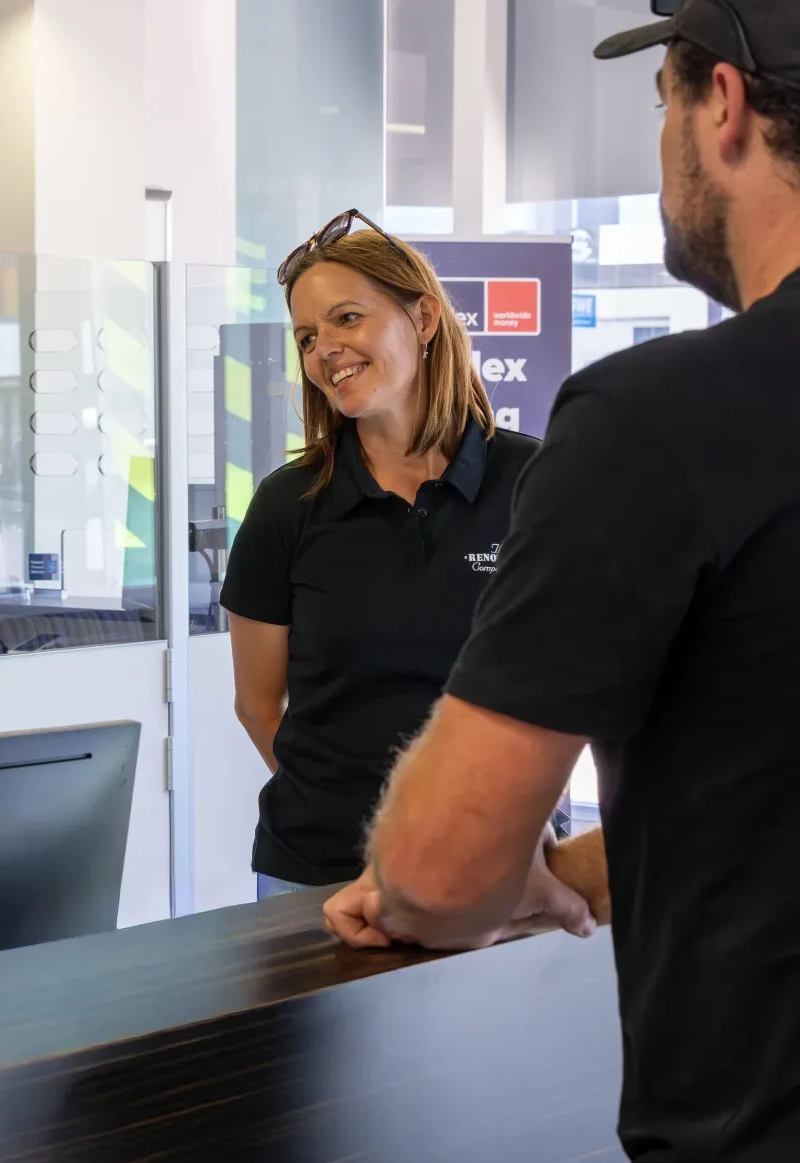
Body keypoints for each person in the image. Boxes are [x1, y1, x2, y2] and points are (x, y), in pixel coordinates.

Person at [323, 0, 800, 1163]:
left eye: (660, 95)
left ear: (721, 104)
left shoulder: (657, 418)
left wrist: (488, 874)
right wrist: (574, 874)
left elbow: (436, 867)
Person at [222, 219, 571, 903]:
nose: (325, 350)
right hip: (318, 872)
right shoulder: (287, 505)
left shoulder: (536, 483)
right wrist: (352, 815)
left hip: (503, 862)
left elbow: (574, 685)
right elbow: (257, 704)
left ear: (423, 318)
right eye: (306, 337)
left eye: (346, 318)